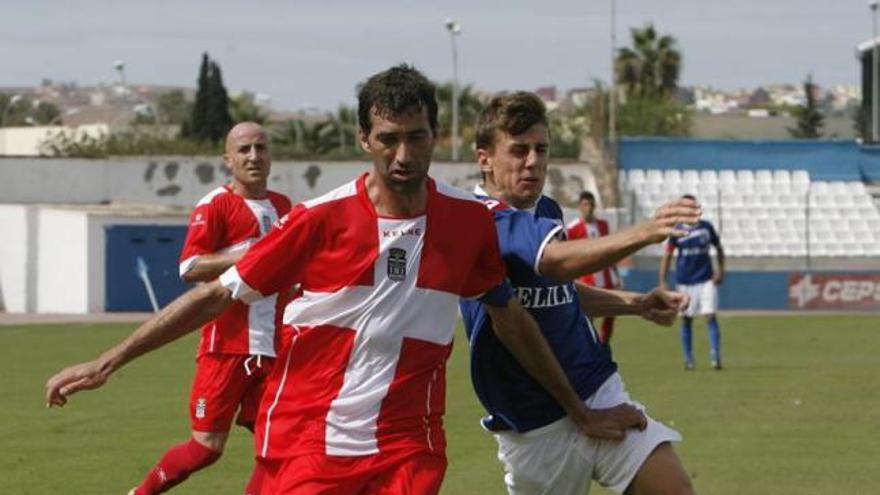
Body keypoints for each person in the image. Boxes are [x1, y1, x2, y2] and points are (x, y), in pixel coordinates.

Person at [46, 65, 601, 495]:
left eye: (417, 137)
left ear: (437, 135)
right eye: (389, 138)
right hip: (310, 439)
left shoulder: (468, 223)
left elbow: (509, 316)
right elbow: (216, 294)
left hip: (409, 445)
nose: (404, 154)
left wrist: (579, 410)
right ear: (364, 138)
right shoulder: (318, 220)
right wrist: (106, 361)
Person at [462, 91, 698, 495]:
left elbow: (560, 289)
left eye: (541, 149)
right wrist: (646, 231)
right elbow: (554, 262)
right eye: (518, 150)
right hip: (536, 427)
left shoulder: (546, 209)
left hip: (598, 389)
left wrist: (636, 304)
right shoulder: (478, 223)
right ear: (484, 158)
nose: (533, 162)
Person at [136, 122, 292, 494]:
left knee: (284, 447)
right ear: (228, 159)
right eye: (244, 149)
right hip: (227, 347)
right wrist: (248, 253)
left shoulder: (285, 206)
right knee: (206, 448)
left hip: (276, 349)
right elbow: (189, 267)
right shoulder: (216, 204)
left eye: (261, 148)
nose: (253, 156)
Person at [659, 194, 726, 370]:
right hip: (685, 281)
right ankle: (689, 359)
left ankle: (715, 356)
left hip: (706, 279)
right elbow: (668, 255)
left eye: (693, 206)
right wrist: (662, 280)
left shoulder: (706, 227)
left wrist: (721, 270)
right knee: (687, 319)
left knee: (709, 315)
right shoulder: (676, 230)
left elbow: (719, 248)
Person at [566, 190, 623, 343]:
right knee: (587, 317)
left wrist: (616, 275)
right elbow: (568, 255)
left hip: (605, 277)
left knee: (611, 312)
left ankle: (603, 344)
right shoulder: (573, 229)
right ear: (580, 206)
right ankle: (587, 347)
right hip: (586, 279)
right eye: (585, 204)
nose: (588, 207)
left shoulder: (603, 225)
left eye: (591, 204)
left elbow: (609, 252)